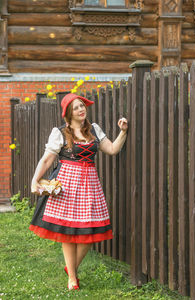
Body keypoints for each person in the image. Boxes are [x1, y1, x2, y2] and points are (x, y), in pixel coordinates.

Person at [29, 93, 128, 291]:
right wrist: (35, 180)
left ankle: (70, 267)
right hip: (67, 186)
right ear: (68, 113)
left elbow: (112, 149)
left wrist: (123, 132)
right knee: (67, 232)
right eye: (76, 107)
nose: (81, 109)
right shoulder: (60, 132)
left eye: (82, 105)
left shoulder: (94, 129)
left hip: (89, 185)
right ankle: (73, 278)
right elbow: (48, 159)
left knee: (90, 232)